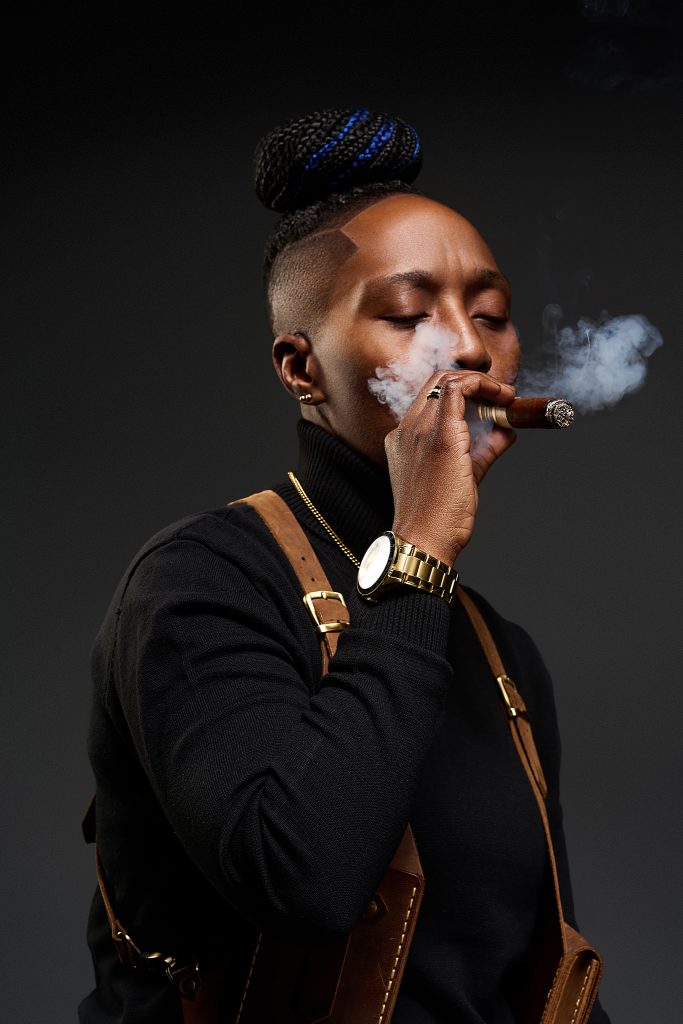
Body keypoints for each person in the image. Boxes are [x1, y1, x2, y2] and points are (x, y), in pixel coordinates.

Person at [80, 108, 611, 1023]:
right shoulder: (197, 583)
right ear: (301, 368)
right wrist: (418, 550)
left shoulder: (500, 653)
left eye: (490, 314)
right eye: (408, 315)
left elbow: (530, 971)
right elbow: (304, 880)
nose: (470, 347)